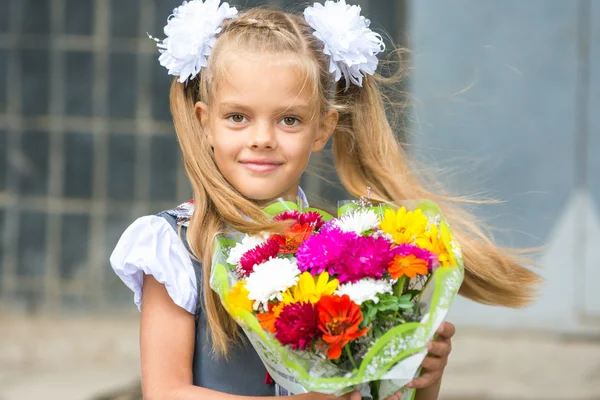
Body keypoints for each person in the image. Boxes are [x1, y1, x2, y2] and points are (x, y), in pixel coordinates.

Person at [110, 1, 540, 399]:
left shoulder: (347, 251)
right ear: (205, 123)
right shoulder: (176, 245)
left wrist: (420, 378)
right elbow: (166, 393)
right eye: (237, 117)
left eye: (289, 120)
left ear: (323, 128)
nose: (261, 139)